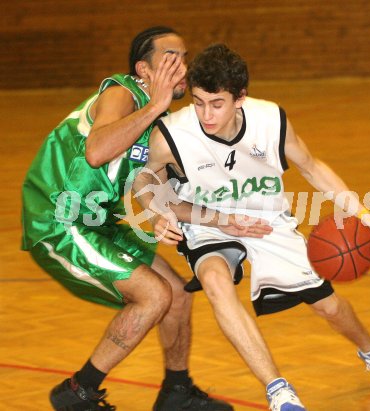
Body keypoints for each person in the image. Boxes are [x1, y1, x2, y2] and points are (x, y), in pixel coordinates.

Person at [133, 44, 370, 411]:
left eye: (216, 103)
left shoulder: (270, 121)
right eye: (199, 102)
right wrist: (156, 212)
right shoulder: (172, 133)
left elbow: (313, 167)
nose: (206, 113)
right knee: (216, 281)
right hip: (208, 220)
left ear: (240, 98)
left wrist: (360, 212)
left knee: (328, 306)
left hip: (267, 219)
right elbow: (143, 177)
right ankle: (278, 388)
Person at [20, 27, 270, 411]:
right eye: (171, 58)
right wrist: (155, 105)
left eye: (184, 57)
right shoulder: (122, 92)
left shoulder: (161, 123)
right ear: (143, 69)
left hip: (96, 222)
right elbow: (97, 151)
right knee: (154, 295)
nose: (182, 66)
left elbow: (159, 194)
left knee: (177, 296)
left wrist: (224, 220)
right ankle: (78, 392)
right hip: (59, 218)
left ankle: (176, 390)